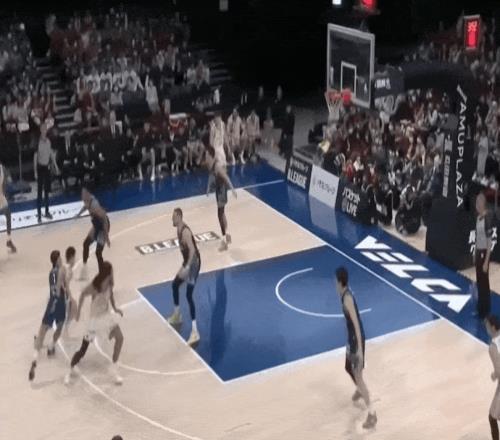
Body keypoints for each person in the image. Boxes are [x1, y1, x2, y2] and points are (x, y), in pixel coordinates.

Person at [64, 261, 124, 385]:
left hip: (106, 317)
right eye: (111, 271)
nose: (113, 273)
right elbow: (82, 294)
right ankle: (70, 369)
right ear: (107, 273)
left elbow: (111, 295)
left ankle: (114, 369)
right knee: (83, 349)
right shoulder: (96, 285)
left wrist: (115, 308)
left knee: (120, 338)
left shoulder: (110, 283)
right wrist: (78, 312)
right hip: (95, 321)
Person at [335, 266, 377, 429]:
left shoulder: (347, 299)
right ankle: (359, 389)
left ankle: (372, 414)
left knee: (358, 376)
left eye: (335, 281)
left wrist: (359, 348)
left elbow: (357, 325)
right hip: (351, 339)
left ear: (340, 282)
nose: (334, 284)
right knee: (348, 367)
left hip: (356, 341)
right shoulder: (344, 294)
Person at [29, 250, 69, 381]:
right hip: (59, 303)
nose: (61, 260)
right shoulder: (60, 271)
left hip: (52, 303)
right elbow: (61, 288)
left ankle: (35, 358)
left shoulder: (50, 273)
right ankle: (51, 346)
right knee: (60, 327)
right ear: (56, 260)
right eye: (60, 259)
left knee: (42, 332)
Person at [167, 208, 201, 346]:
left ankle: (195, 332)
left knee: (188, 295)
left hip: (194, 264)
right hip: (188, 262)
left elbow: (192, 250)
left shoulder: (185, 232)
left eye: (174, 217)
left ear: (180, 217)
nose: (172, 219)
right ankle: (177, 315)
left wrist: (187, 267)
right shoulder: (178, 229)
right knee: (175, 285)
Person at [206, 147, 237, 251]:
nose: (205, 157)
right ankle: (227, 236)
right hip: (218, 190)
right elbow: (211, 176)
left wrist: (233, 189)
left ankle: (225, 240)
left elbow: (226, 177)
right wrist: (208, 188)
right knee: (221, 214)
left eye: (207, 155)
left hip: (222, 190)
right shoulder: (211, 165)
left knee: (220, 214)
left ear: (211, 156)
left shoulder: (217, 166)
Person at [75, 188, 110, 279]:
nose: (82, 197)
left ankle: (102, 274)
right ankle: (84, 267)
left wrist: (106, 237)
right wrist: (79, 214)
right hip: (96, 226)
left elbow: (104, 220)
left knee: (98, 252)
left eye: (83, 195)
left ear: (88, 194)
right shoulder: (87, 200)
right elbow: (85, 207)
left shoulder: (95, 205)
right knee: (86, 244)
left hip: (102, 227)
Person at [34, 123, 59, 223]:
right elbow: (35, 157)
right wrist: (35, 171)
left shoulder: (48, 141)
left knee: (47, 191)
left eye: (45, 129)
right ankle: (39, 215)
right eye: (42, 128)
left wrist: (56, 166)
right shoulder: (37, 142)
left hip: (47, 168)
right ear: (40, 130)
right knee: (40, 192)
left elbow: (51, 154)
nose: (44, 130)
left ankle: (47, 211)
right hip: (40, 168)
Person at [474, 192, 494, 319]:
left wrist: (486, 261)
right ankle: (480, 307)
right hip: (478, 252)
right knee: (479, 282)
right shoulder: (478, 218)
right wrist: (474, 252)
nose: (476, 205)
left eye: (478, 202)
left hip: (484, 254)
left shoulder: (487, 219)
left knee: (484, 283)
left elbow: (489, 242)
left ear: (482, 203)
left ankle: (486, 310)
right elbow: (477, 237)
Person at [486, 315, 500, 440]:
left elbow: (499, 370)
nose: (487, 330)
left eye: (487, 327)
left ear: (493, 327)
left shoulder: (493, 347)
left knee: (492, 417)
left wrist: (493, 375)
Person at [0, 160, 16, 252]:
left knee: (8, 216)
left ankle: (9, 240)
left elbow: (8, 179)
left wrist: (8, 178)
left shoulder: (2, 168)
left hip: (1, 197)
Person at [63, 246, 77, 335]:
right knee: (74, 309)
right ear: (71, 257)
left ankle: (65, 330)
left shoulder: (65, 266)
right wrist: (70, 297)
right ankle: (65, 331)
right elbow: (65, 284)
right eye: (75, 257)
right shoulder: (69, 269)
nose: (75, 260)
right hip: (63, 294)